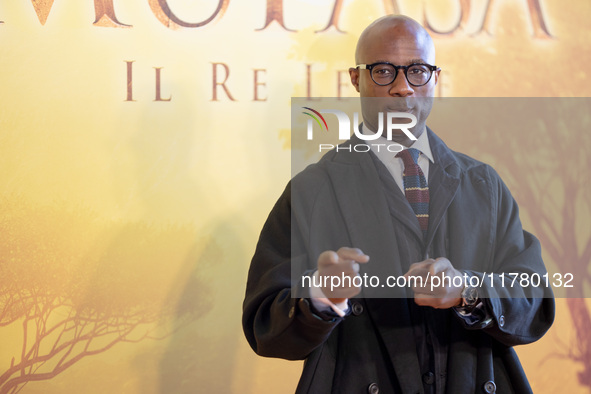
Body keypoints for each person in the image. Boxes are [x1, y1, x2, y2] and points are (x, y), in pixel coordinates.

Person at [242, 15, 554, 394]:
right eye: (384, 71)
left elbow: (534, 300)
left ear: (435, 78)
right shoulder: (312, 190)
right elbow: (265, 327)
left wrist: (468, 291)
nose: (403, 88)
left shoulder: (483, 184)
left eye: (418, 71)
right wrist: (319, 297)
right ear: (356, 79)